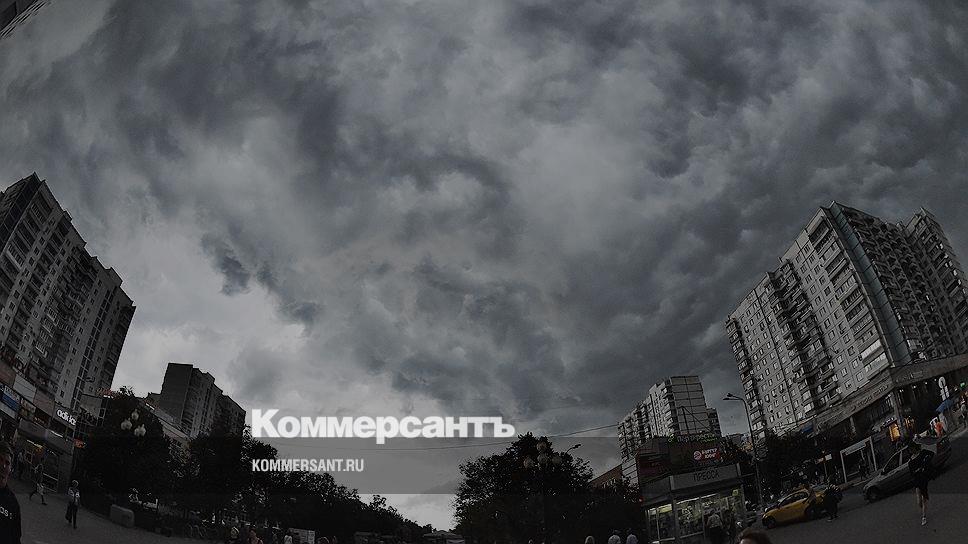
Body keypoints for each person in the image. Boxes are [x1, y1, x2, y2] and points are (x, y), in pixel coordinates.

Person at [908, 441, 935, 526]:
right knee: (919, 501)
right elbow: (911, 473)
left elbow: (931, 454)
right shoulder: (910, 460)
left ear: (914, 447)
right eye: (909, 450)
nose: (910, 451)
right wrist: (916, 470)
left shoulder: (922, 453)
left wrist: (925, 464)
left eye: (911, 449)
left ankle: (924, 516)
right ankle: (924, 508)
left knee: (924, 498)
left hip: (923, 478)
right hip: (917, 480)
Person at [0, 441, 21, 543]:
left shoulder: (13, 503)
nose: (3, 466)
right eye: (0, 459)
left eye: (7, 463)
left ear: (10, 469)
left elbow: (16, 539)